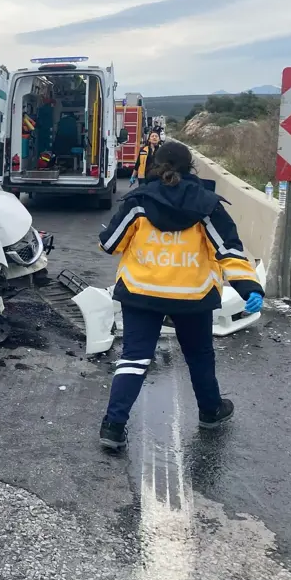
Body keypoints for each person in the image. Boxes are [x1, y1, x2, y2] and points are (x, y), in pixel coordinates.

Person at [97, 141, 264, 450]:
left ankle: (113, 426)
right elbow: (228, 250)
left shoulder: (138, 202)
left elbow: (110, 245)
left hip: (141, 292)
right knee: (199, 356)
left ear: (155, 165)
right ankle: (211, 411)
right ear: (191, 169)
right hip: (193, 296)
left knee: (134, 357)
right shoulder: (208, 204)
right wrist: (248, 286)